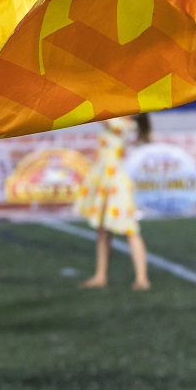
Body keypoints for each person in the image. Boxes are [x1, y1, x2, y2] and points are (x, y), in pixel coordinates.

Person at [74, 114, 151, 290]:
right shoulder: (121, 123)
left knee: (130, 229)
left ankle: (142, 278)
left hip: (115, 183)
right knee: (102, 230)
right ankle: (100, 275)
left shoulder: (125, 124)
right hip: (104, 179)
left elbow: (101, 114)